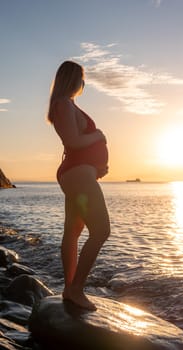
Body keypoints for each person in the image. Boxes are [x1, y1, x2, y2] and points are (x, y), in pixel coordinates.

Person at [47, 61, 110, 310]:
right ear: (73, 79)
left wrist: (96, 168)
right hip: (77, 174)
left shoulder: (68, 104)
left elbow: (77, 146)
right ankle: (75, 289)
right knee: (101, 231)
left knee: (73, 231)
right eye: (81, 78)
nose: (83, 84)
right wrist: (99, 135)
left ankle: (69, 288)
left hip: (81, 174)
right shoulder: (63, 103)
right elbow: (73, 141)